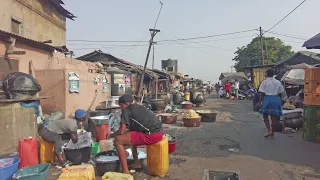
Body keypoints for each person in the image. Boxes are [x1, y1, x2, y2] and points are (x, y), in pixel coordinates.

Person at [113, 94, 163, 174]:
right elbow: (129, 130)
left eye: (121, 106)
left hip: (152, 135)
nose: (121, 108)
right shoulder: (138, 107)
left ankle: (125, 172)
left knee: (118, 141)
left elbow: (121, 131)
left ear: (125, 104)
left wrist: (111, 136)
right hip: (159, 132)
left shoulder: (126, 110)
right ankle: (136, 163)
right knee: (130, 134)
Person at [258, 69, 285, 138]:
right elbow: (281, 92)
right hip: (275, 99)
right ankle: (272, 132)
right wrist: (281, 101)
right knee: (274, 117)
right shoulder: (278, 82)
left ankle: (269, 130)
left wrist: (259, 102)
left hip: (267, 99)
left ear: (267, 74)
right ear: (273, 74)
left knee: (265, 116)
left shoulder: (264, 82)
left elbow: (261, 93)